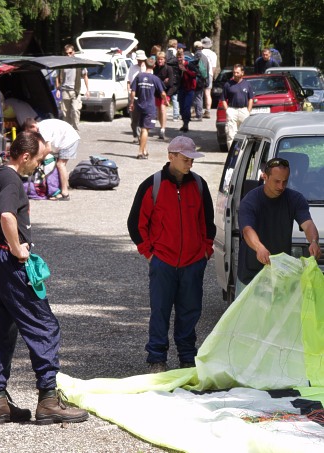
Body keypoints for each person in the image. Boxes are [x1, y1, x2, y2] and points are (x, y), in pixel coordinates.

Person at [0, 131, 89, 426]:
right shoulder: (10, 179)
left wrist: (0, 243)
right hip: (8, 258)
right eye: (40, 160)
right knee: (43, 326)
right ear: (26, 156)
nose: (40, 166)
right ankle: (48, 400)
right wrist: (17, 248)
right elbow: (7, 216)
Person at [127, 136, 216, 373]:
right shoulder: (151, 185)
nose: (190, 163)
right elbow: (136, 224)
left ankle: (187, 358)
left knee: (190, 312)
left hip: (193, 262)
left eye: (192, 159)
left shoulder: (199, 185)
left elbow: (208, 222)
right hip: (163, 262)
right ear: (171, 156)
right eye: (185, 159)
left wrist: (205, 252)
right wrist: (149, 254)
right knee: (160, 311)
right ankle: (157, 359)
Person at [236, 157, 321, 296]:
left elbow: (308, 224)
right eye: (276, 181)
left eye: (285, 181)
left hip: (280, 275)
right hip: (251, 276)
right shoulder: (250, 201)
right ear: (265, 177)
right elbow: (247, 230)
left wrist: (313, 241)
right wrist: (259, 248)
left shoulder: (295, 199)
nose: (281, 186)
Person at [22, 118, 80, 201]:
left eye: (30, 131)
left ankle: (65, 194)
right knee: (57, 164)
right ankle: (63, 186)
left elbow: (48, 148)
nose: (32, 134)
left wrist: (38, 159)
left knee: (60, 165)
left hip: (69, 140)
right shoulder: (42, 125)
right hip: (68, 137)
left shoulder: (43, 129)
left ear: (33, 126)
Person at [129, 58, 168, 159]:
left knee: (143, 128)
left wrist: (132, 103)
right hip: (149, 107)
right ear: (154, 66)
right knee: (145, 129)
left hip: (139, 105)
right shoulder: (155, 79)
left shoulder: (139, 76)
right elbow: (162, 93)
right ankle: (140, 152)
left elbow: (133, 91)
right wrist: (166, 101)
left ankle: (145, 150)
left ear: (144, 65)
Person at [55, 44, 90, 131]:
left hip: (75, 90)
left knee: (75, 110)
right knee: (65, 112)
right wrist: (57, 89)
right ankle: (68, 130)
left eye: (70, 53)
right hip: (65, 90)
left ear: (74, 52)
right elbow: (57, 76)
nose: (68, 55)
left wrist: (87, 90)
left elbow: (85, 75)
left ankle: (75, 130)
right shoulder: (62, 63)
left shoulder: (79, 63)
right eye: (66, 53)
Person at [221, 64, 253, 150]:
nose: (235, 74)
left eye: (237, 72)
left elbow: (251, 99)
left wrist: (248, 111)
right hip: (232, 110)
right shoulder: (228, 84)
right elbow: (223, 99)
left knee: (245, 134)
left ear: (242, 73)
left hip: (243, 110)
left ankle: (243, 156)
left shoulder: (247, 84)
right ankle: (232, 158)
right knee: (231, 134)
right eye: (234, 72)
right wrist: (227, 110)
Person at [127, 49, 147, 144]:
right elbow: (128, 81)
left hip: (143, 96)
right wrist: (129, 91)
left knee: (142, 117)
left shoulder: (147, 68)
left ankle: (140, 136)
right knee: (134, 118)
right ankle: (135, 134)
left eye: (142, 60)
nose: (140, 62)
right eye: (139, 60)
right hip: (133, 95)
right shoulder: (132, 68)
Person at [154, 51, 174, 139]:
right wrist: (163, 81)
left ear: (164, 60)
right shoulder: (155, 69)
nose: (159, 61)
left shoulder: (169, 68)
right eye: (158, 59)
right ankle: (161, 125)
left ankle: (163, 129)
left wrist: (161, 83)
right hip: (157, 93)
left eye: (161, 59)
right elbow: (154, 81)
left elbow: (170, 83)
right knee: (158, 111)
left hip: (166, 92)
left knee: (162, 109)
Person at [177, 48, 197, 132]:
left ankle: (186, 123)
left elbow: (194, 74)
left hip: (189, 89)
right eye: (178, 57)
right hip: (181, 89)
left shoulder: (189, 65)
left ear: (183, 57)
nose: (179, 59)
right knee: (181, 107)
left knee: (187, 106)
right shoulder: (176, 66)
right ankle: (184, 122)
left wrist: (186, 70)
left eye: (181, 56)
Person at [191, 41, 210, 121]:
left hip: (197, 79)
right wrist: (207, 81)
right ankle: (199, 114)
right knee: (200, 97)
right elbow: (208, 69)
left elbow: (193, 67)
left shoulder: (196, 56)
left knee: (197, 97)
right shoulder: (205, 57)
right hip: (203, 79)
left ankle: (199, 115)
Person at [201, 36, 217, 117]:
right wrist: (212, 75)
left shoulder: (200, 52)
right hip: (209, 74)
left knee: (199, 93)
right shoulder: (213, 54)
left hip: (200, 74)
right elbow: (214, 67)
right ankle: (208, 111)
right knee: (208, 93)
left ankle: (197, 109)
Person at [166, 39, 180, 122]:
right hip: (175, 77)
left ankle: (161, 113)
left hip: (167, 77)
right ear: (175, 45)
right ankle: (176, 115)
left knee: (165, 95)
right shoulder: (176, 53)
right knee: (175, 97)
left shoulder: (165, 53)